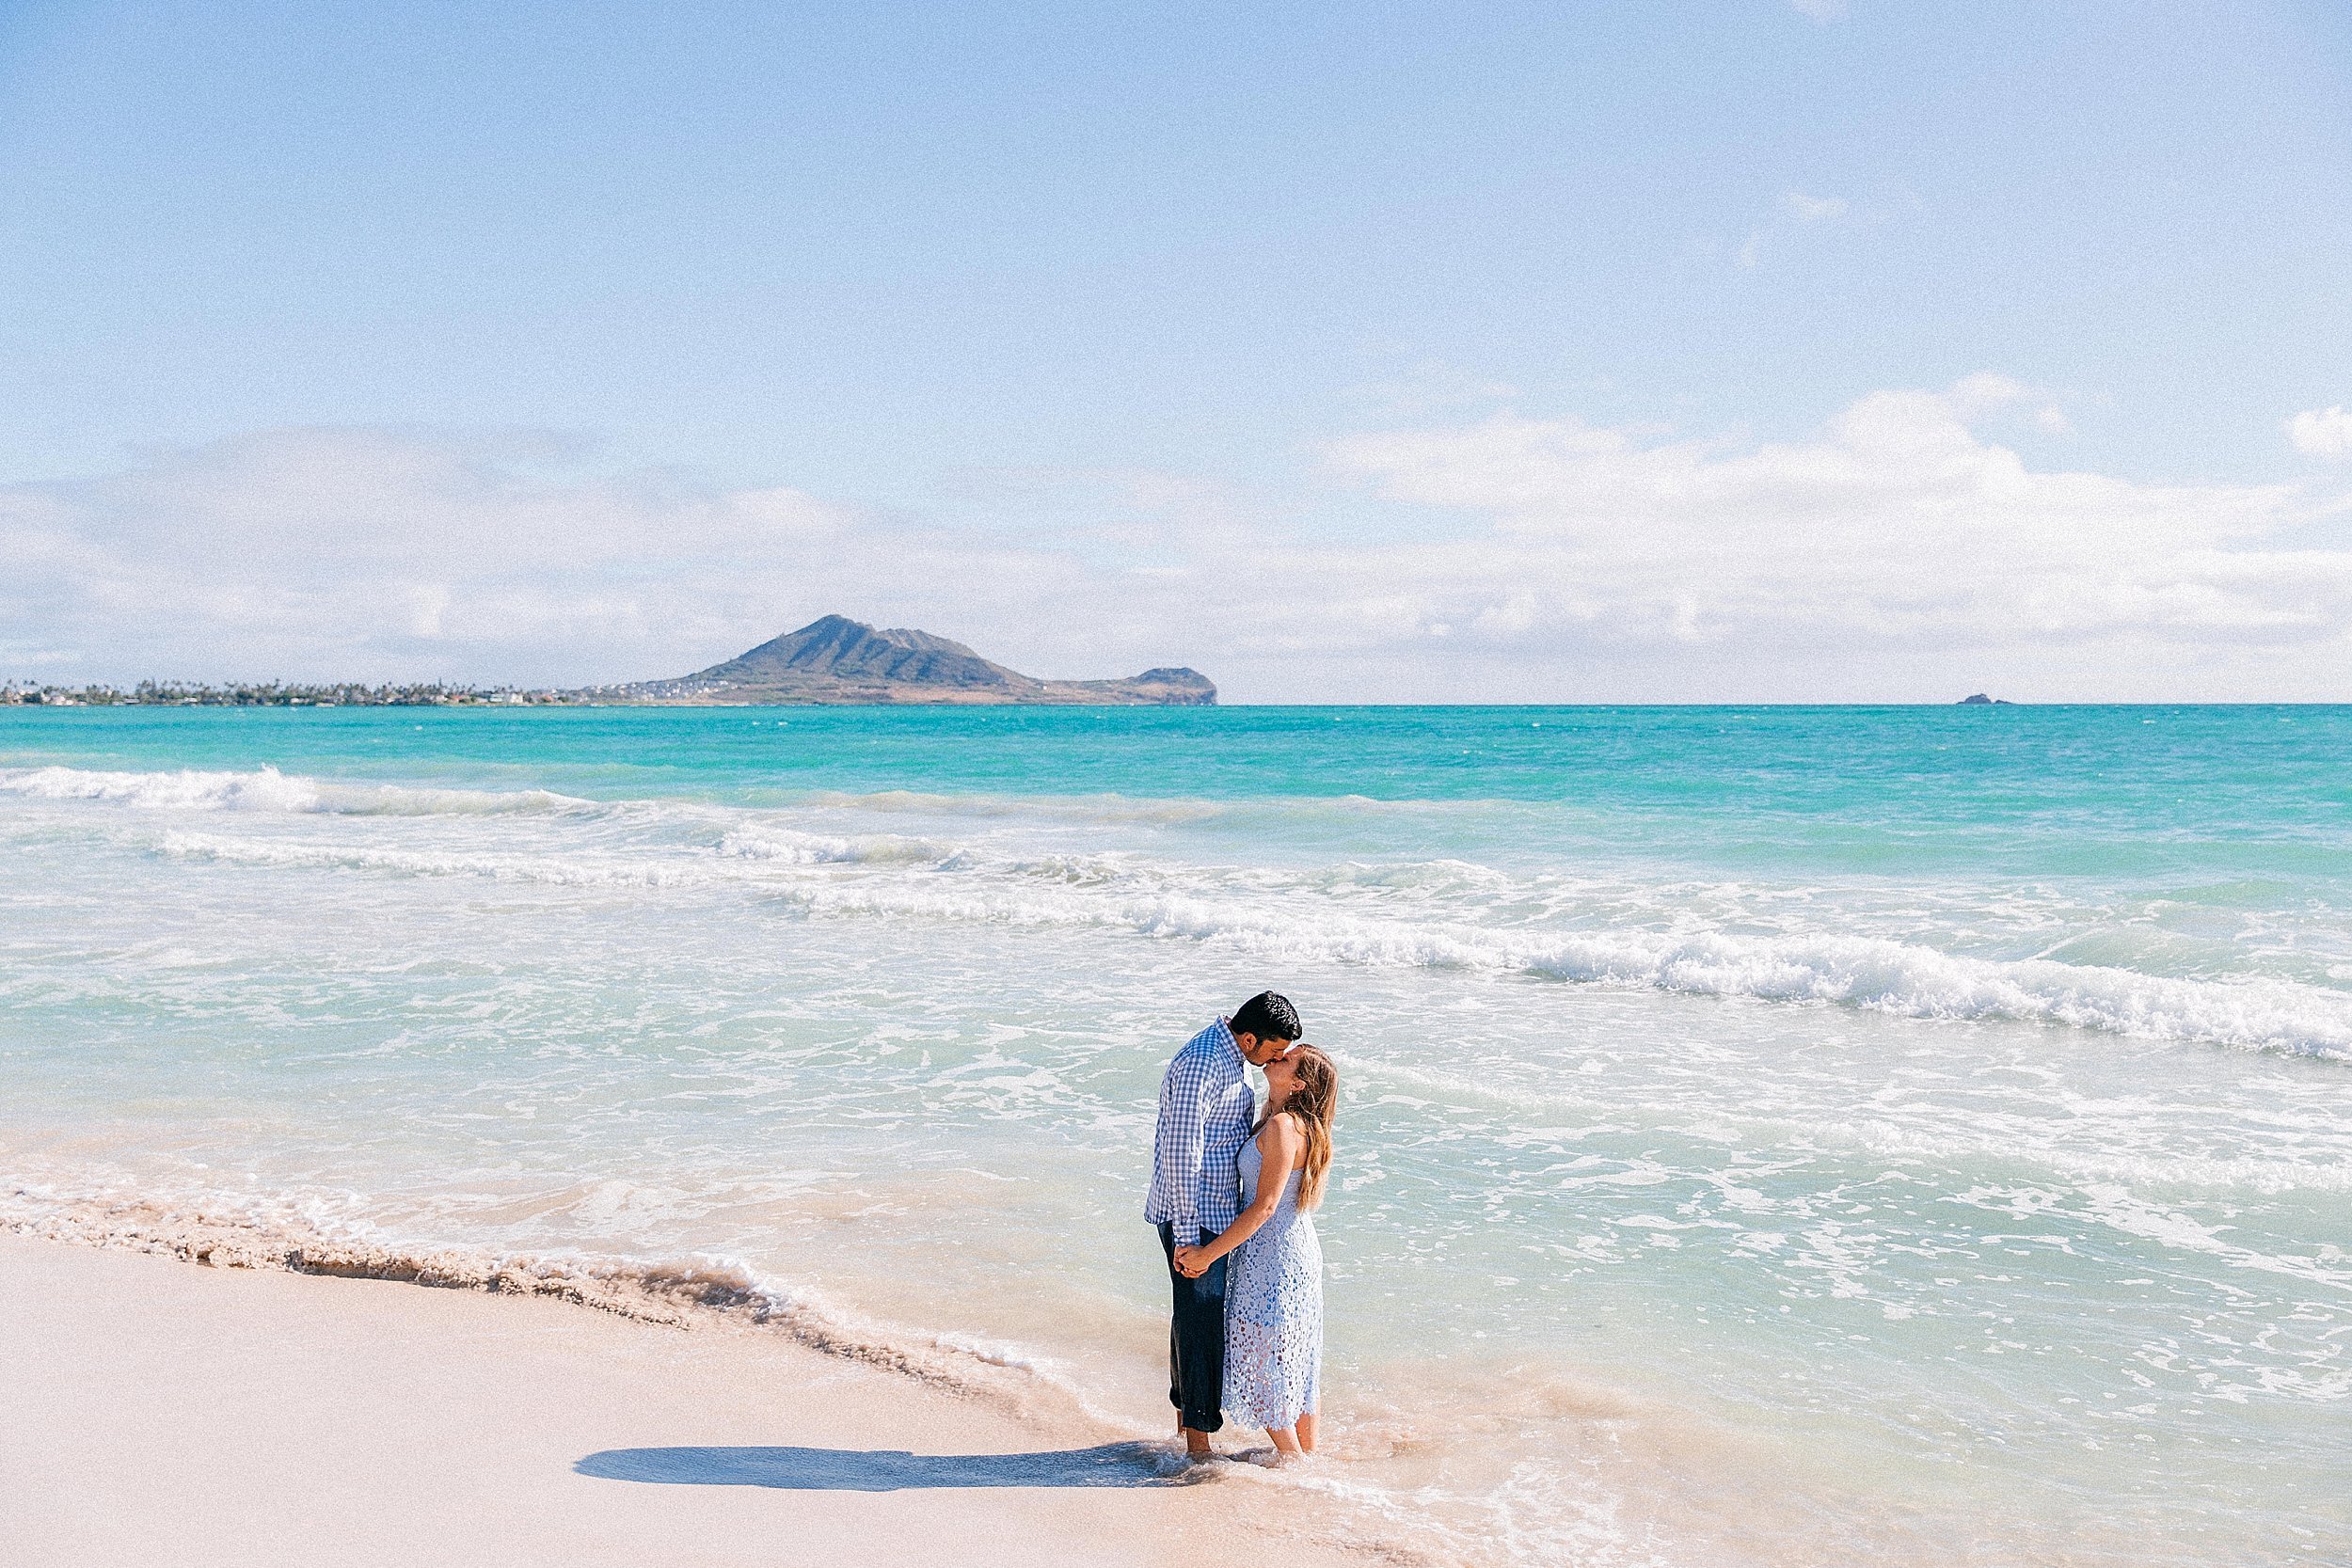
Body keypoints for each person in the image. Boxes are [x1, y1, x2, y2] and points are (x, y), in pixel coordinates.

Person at [1145, 991, 1301, 1459]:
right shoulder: (1203, 1064)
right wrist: (1190, 1237)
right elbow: (1180, 1154)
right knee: (1201, 1328)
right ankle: (1197, 1449)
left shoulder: (1231, 1059)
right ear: (1249, 1037)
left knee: (1192, 1322)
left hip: (1213, 1215)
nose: (1276, 1059)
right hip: (1195, 1218)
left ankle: (1186, 1432)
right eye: (1273, 1051)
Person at [1175, 1044, 1337, 1463]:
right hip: (1289, 1249)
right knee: (1292, 1356)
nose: (1277, 1056)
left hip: (1275, 1257)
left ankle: (1294, 1461)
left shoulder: (1284, 1126)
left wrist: (1207, 1254)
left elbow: (1264, 1206)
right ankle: (1307, 1455)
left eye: (1288, 1058)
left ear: (1298, 1083)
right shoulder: (1285, 1121)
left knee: (1258, 1355)